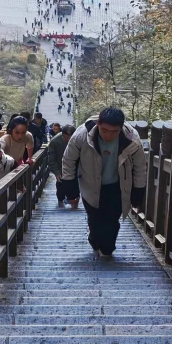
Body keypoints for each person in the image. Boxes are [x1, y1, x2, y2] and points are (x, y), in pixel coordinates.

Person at [60, 106, 147, 258]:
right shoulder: (82, 135)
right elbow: (68, 160)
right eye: (105, 130)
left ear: (121, 128)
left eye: (114, 132)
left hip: (118, 185)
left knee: (112, 221)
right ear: (98, 124)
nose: (109, 135)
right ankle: (94, 241)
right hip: (90, 183)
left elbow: (140, 166)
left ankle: (107, 249)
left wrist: (138, 190)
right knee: (94, 219)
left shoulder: (132, 138)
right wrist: (70, 185)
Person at [47, 123, 75, 205]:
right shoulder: (55, 141)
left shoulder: (79, 139)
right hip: (61, 167)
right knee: (61, 187)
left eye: (71, 137)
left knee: (74, 189)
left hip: (74, 167)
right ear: (63, 135)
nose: (69, 140)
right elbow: (51, 158)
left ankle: (73, 201)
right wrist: (56, 172)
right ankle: (60, 201)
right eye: (67, 138)